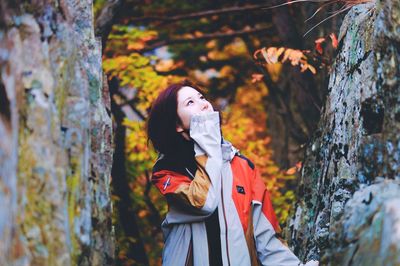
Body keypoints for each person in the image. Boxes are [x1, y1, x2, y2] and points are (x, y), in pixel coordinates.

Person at [147, 79, 319, 266]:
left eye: (202, 97)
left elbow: (266, 238)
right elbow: (203, 203)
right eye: (190, 102)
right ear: (177, 125)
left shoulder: (244, 167)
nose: (204, 103)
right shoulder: (168, 170)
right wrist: (207, 143)